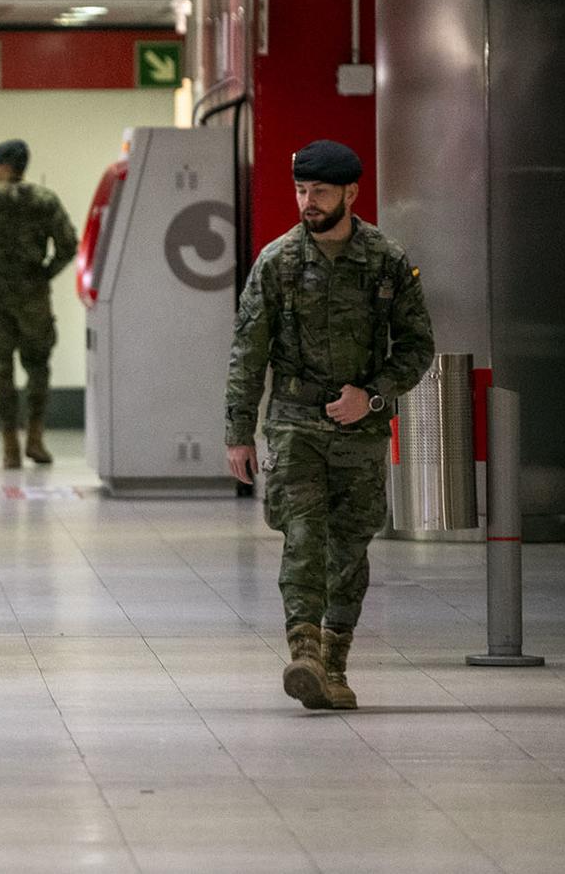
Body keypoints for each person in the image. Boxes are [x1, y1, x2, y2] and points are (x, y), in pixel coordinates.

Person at [223, 139, 433, 712]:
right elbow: (248, 352)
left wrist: (371, 397)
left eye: (318, 191)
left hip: (360, 429)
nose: (307, 202)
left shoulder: (386, 261)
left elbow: (417, 347)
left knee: (350, 547)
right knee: (304, 536)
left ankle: (335, 665)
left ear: (350, 193)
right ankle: (305, 652)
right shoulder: (278, 262)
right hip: (293, 424)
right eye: (300, 190)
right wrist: (239, 432)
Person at [0, 139, 77, 469]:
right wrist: (46, 273)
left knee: (1, 368)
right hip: (34, 293)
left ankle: (9, 446)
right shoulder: (45, 200)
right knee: (38, 366)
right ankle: (35, 439)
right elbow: (68, 245)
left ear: (4, 167)